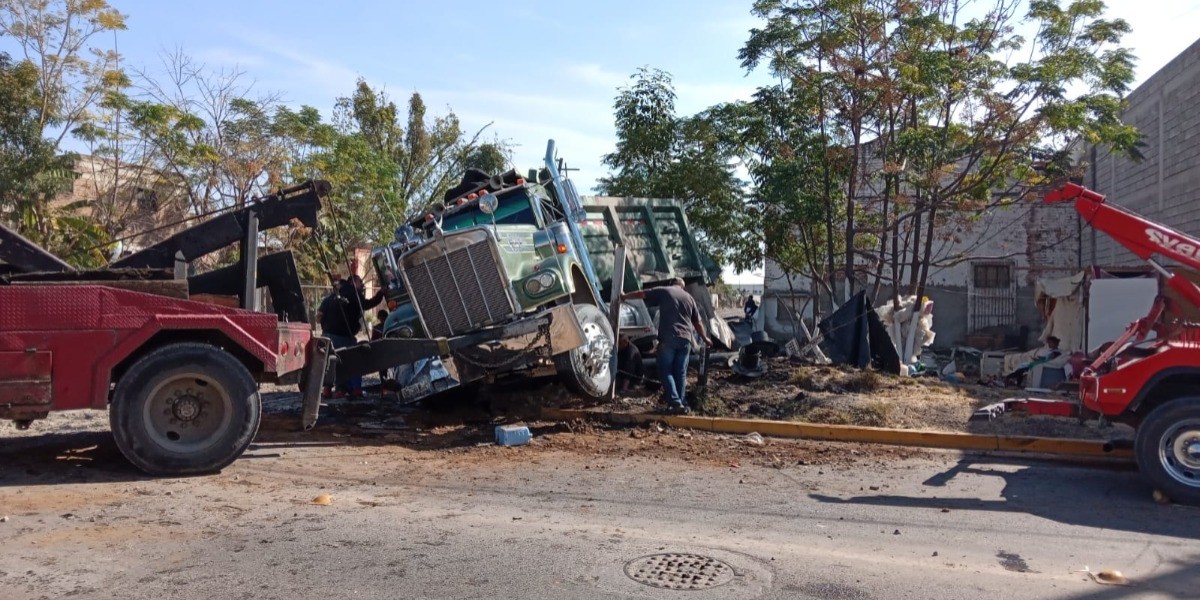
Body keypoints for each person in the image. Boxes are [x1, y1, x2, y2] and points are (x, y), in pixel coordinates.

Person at [621, 278, 711, 414]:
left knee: (665, 370)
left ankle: (675, 401)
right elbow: (697, 322)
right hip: (686, 340)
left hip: (669, 338)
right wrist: (705, 338)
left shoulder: (665, 290)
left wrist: (624, 296)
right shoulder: (689, 298)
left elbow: (642, 293)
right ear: (683, 287)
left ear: (672, 284)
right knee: (680, 372)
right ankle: (681, 403)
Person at [316, 275, 385, 398]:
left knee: (330, 362)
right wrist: (381, 293)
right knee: (352, 360)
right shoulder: (354, 293)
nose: (362, 285)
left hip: (327, 336)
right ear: (353, 282)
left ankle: (328, 389)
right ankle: (353, 389)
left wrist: (327, 325)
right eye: (360, 282)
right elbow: (367, 304)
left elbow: (318, 317)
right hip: (344, 336)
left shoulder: (330, 298)